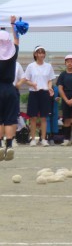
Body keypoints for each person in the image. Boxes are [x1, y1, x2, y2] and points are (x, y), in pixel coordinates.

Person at [20, 45, 56, 146]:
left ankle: (43, 139)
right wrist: (32, 84)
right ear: (35, 54)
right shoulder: (31, 66)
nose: (41, 55)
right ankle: (32, 139)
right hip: (34, 93)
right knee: (33, 118)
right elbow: (26, 79)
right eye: (39, 53)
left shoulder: (48, 66)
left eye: (43, 53)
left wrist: (50, 88)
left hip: (44, 93)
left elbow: (49, 80)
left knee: (44, 117)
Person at [0, 16, 19, 161]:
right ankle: (10, 145)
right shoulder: (12, 54)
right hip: (10, 89)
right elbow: (16, 39)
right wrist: (12, 24)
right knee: (10, 119)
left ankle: (0, 145)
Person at [57, 55, 72, 146]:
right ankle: (66, 139)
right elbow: (60, 88)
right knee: (66, 120)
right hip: (65, 99)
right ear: (65, 63)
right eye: (68, 61)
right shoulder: (62, 75)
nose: (70, 63)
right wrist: (66, 100)